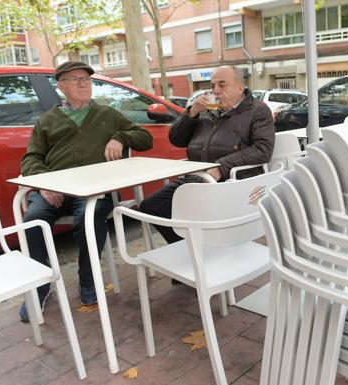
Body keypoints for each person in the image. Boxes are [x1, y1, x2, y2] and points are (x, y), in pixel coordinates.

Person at [19, 61, 153, 321]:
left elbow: (144, 138)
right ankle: (40, 286)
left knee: (90, 220)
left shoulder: (108, 115)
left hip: (94, 191)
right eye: (74, 79)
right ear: (60, 87)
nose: (83, 83)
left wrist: (121, 137)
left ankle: (88, 280)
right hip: (54, 189)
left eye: (87, 79)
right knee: (32, 222)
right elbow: (31, 158)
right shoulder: (47, 120)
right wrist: (45, 184)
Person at [139, 65, 275, 245]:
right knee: (150, 207)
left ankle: (198, 253)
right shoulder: (205, 110)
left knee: (187, 213)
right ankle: (191, 250)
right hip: (196, 179)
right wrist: (191, 113)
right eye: (212, 86)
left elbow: (263, 149)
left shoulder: (257, 110)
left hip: (229, 182)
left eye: (222, 85)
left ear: (240, 88)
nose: (216, 91)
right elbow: (177, 140)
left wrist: (222, 167)